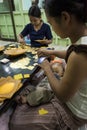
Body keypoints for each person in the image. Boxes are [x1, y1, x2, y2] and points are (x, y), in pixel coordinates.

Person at [10, 0, 87, 130]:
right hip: (74, 99)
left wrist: (47, 69)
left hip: (75, 112)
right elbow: (69, 51)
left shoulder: (79, 55)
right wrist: (51, 51)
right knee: (33, 90)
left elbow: (62, 95)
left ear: (65, 18)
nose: (51, 27)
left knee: (16, 122)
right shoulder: (81, 42)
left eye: (51, 23)